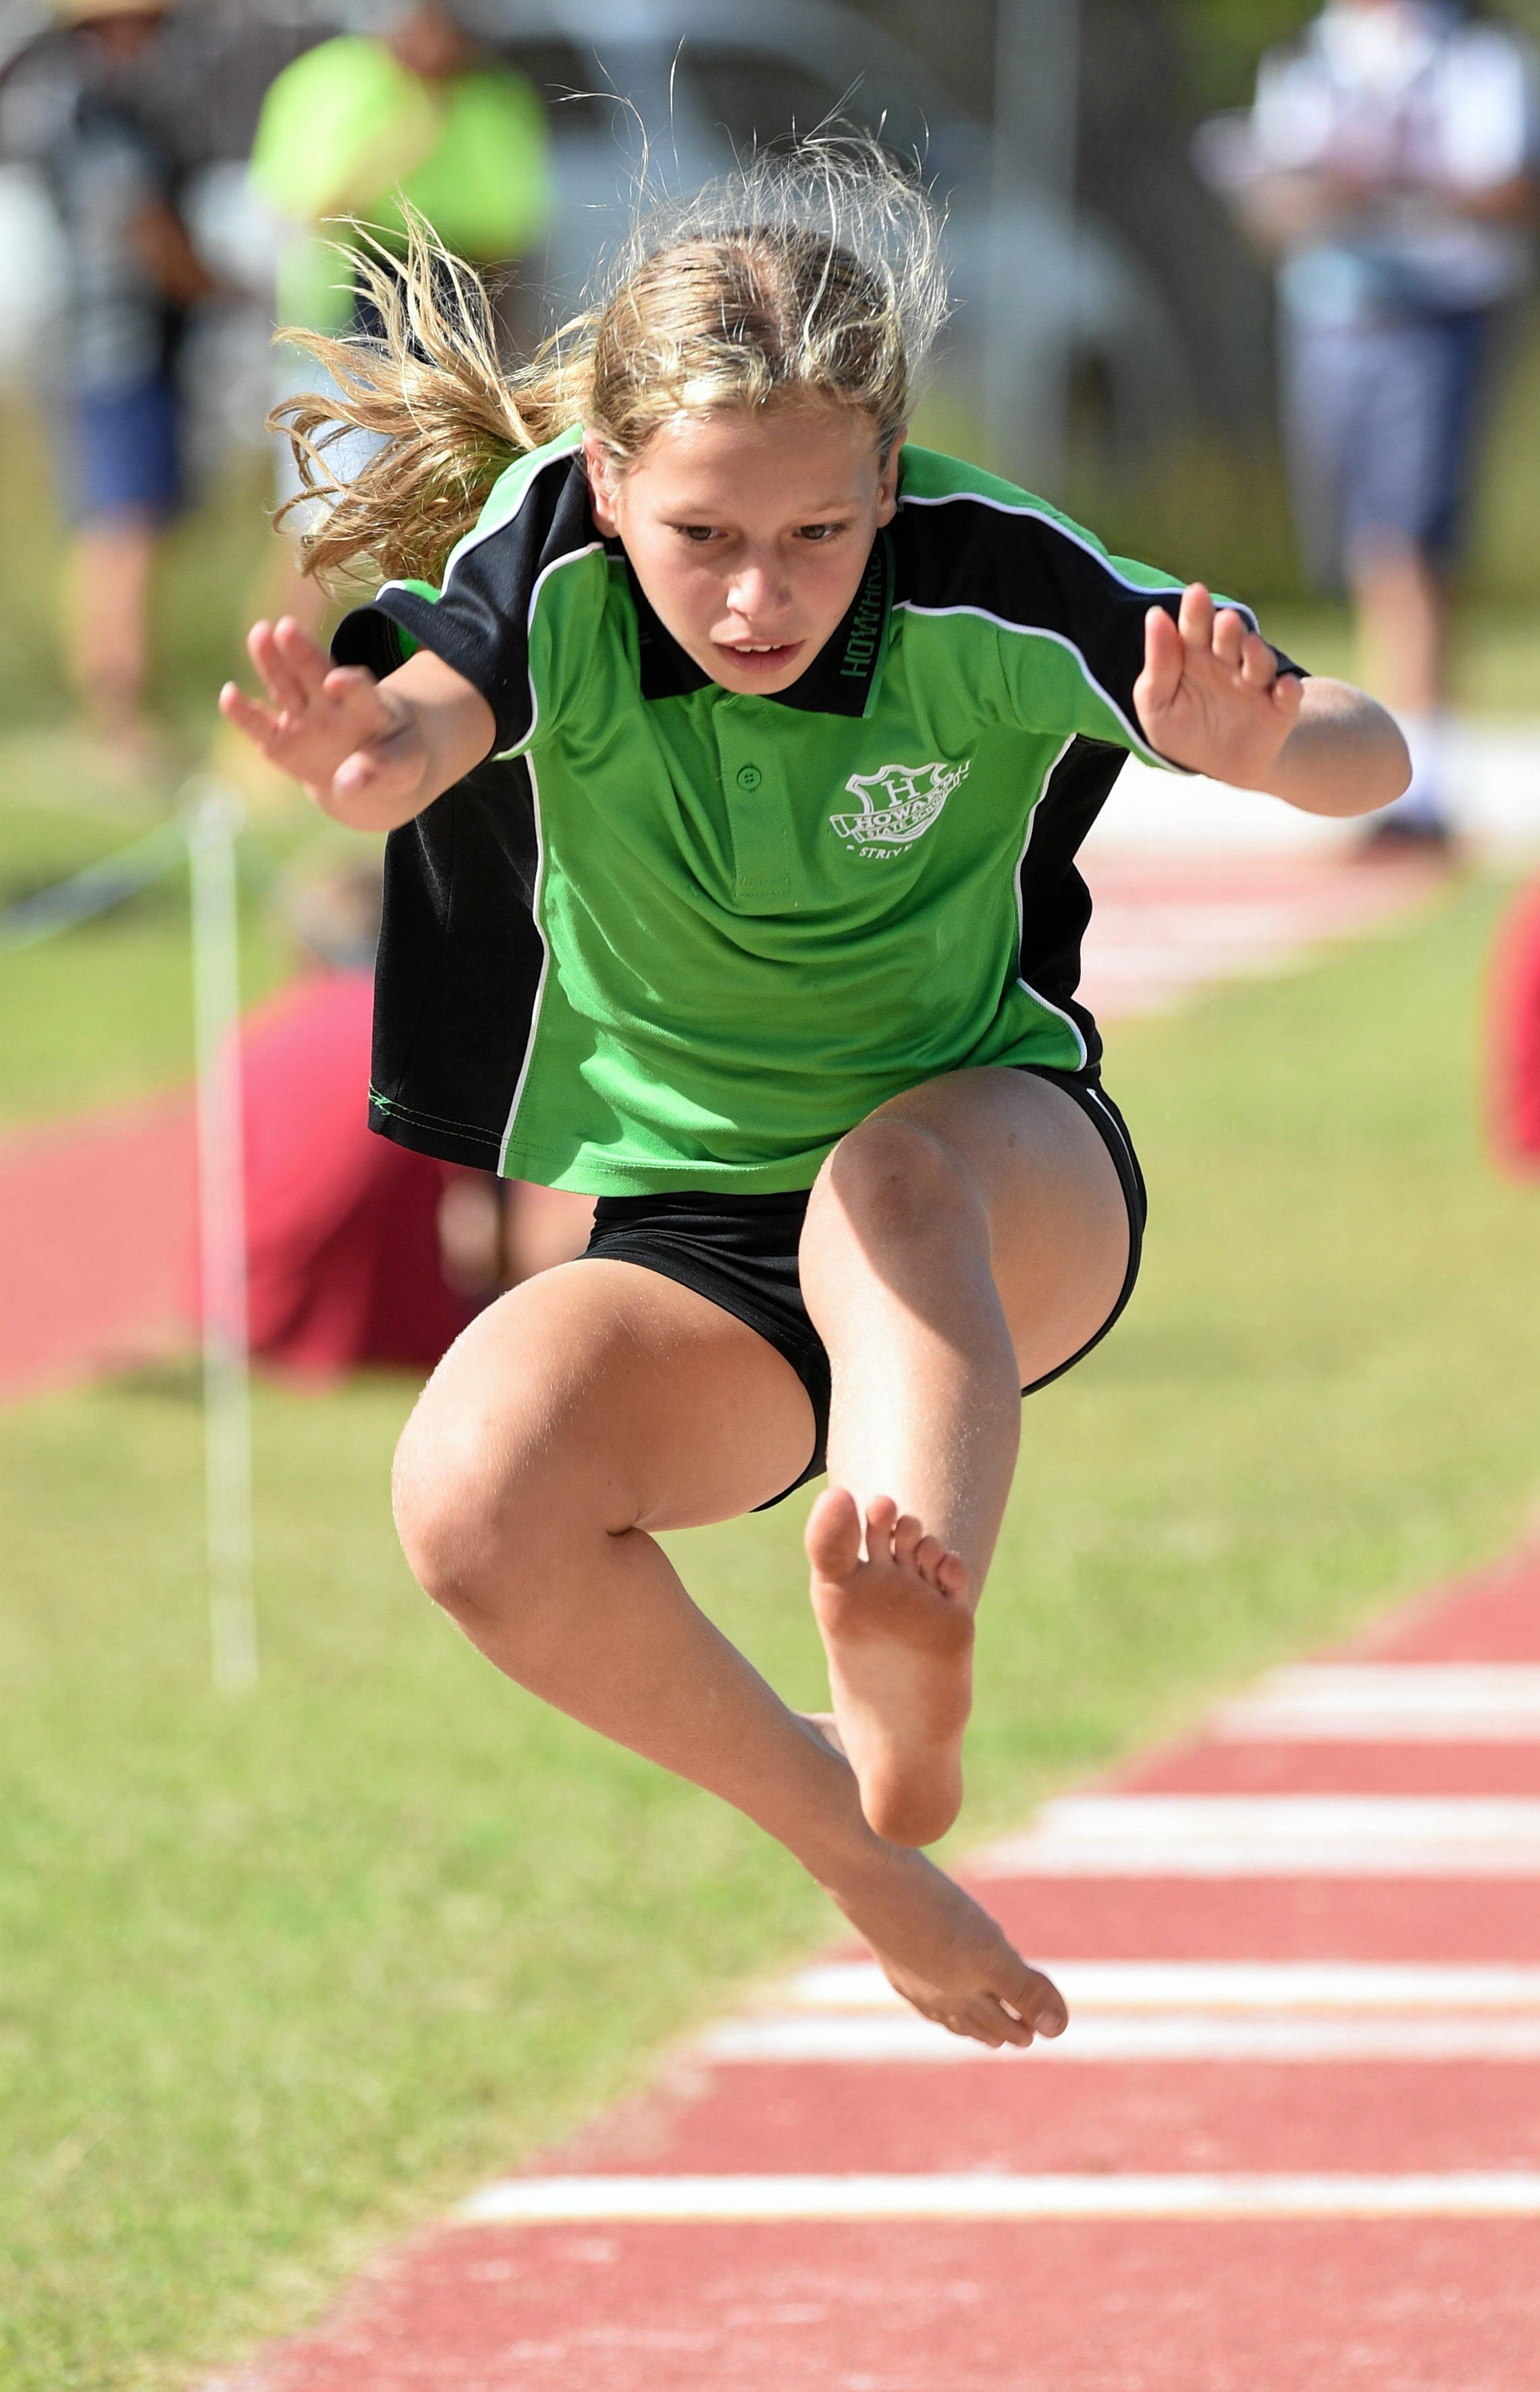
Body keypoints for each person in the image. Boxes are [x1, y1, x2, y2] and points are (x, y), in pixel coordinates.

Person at [219, 142, 1409, 2050]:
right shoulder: (552, 563)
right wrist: (367, 760)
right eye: (702, 537)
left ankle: (911, 1642)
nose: (760, 595)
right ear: (610, 484)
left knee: (884, 1181)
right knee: (469, 1500)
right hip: (695, 1237)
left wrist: (1264, 745)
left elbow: (1373, 753)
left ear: (890, 484)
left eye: (818, 536)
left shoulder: (989, 572)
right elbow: (426, 721)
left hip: (994, 1168)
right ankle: (870, 1853)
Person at [1229, 0, 1539, 851]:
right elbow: (1271, 210)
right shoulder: (1310, 54)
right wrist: (1303, 190)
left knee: (1415, 536)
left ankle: (1421, 782)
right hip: (1333, 319)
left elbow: (1509, 185)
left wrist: (1392, 175)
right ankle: (1387, 768)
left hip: (1435, 317)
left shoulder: (1474, 54)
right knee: (1366, 538)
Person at [248, 0, 552, 634]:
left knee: (443, 520)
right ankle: (274, 686)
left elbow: (508, 227)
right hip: (345, 335)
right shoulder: (329, 81)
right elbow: (309, 205)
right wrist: (404, 136)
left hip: (450, 333)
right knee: (325, 525)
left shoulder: (495, 97)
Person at [32, 0, 219, 762]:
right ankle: (119, 715)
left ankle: (113, 706)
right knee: (125, 531)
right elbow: (147, 228)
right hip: (118, 350)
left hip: (115, 349)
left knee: (118, 529)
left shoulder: (88, 104)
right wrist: (215, 287)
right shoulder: (97, 111)